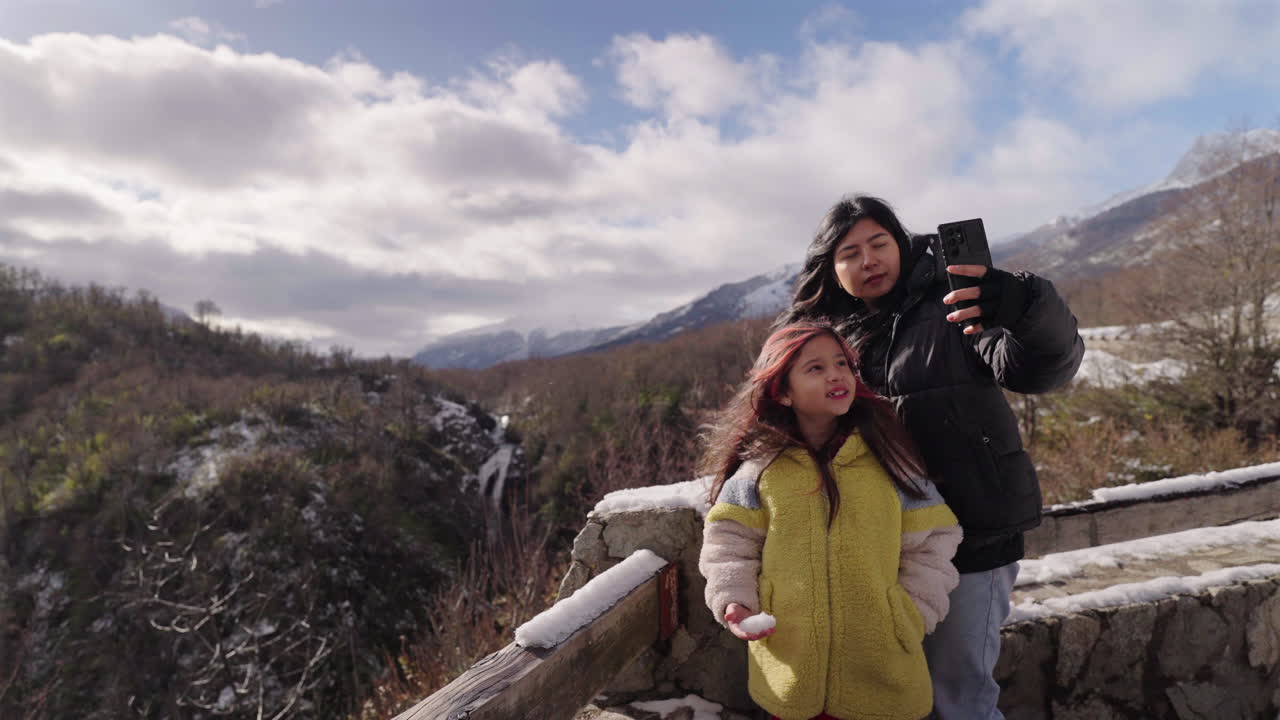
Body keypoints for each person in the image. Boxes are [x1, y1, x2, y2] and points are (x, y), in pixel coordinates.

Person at [776, 195, 1085, 719]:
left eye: (879, 243)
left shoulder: (958, 303)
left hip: (973, 534)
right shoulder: (828, 337)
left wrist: (1026, 307)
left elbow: (1041, 369)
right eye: (849, 253)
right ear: (831, 268)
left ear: (902, 244)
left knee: (958, 699)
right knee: (898, 697)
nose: (868, 260)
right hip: (880, 547)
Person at [698, 321, 963, 720]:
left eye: (842, 363)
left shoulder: (891, 462)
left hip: (883, 671)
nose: (836, 375)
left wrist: (909, 613)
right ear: (783, 392)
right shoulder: (760, 470)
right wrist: (735, 600)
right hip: (790, 668)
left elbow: (934, 540)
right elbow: (728, 541)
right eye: (815, 368)